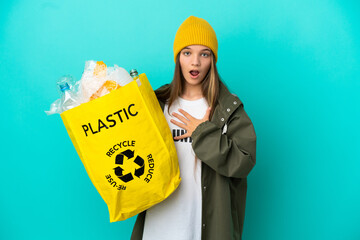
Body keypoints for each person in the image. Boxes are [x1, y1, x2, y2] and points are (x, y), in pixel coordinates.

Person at [131, 16, 256, 240]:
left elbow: (244, 161)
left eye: (204, 54)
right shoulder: (157, 103)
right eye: (187, 52)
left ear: (212, 60)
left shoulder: (226, 108)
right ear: (178, 57)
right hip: (158, 222)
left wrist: (203, 133)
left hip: (201, 226)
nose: (195, 62)